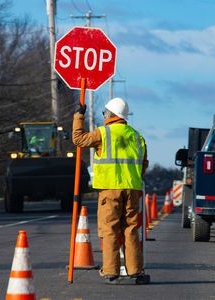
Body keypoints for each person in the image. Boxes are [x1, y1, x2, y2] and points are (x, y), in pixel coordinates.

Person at [72, 97, 150, 284]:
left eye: (105, 112)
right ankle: (135, 271)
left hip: (110, 189)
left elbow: (78, 139)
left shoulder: (103, 133)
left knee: (110, 230)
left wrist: (78, 116)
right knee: (131, 230)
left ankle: (111, 271)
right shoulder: (137, 136)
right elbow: (144, 163)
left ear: (110, 114)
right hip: (132, 189)